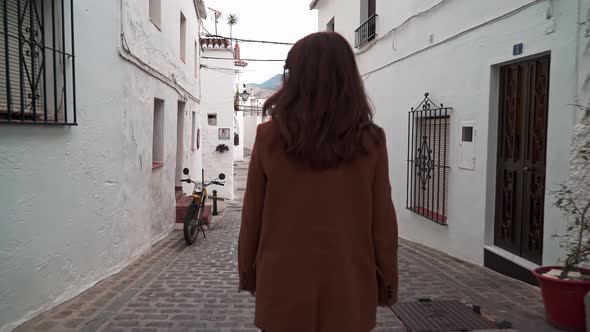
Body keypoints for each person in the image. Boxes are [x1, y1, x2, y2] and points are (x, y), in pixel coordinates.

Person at [238, 32, 398, 332]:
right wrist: (387, 282)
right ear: (349, 77)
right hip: (350, 292)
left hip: (282, 290)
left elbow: (252, 218)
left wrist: (248, 273)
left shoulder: (268, 138)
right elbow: (383, 226)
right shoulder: (372, 141)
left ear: (295, 77)